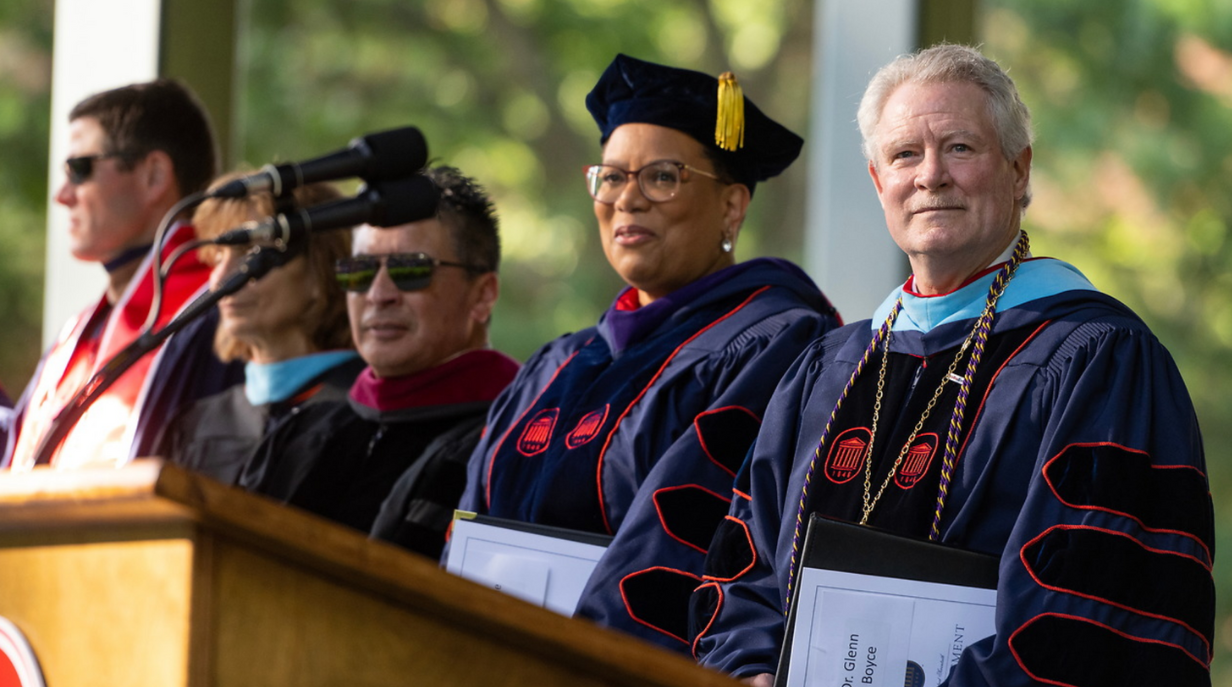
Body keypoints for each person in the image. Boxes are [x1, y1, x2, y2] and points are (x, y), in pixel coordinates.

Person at [691, 44, 1214, 687]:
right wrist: (749, 674)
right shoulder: (824, 372)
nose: (931, 175)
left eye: (960, 148)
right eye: (905, 155)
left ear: (1020, 171)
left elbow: (1088, 616)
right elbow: (744, 570)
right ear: (880, 182)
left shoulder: (1097, 360)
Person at [456, 54, 841, 653]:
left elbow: (685, 543)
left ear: (732, 206)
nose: (627, 200)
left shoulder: (774, 342)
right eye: (610, 177)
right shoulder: (559, 363)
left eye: (662, 176)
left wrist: (571, 659)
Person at [239, 166, 518, 559]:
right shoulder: (304, 430)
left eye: (411, 269)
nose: (378, 294)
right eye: (360, 270)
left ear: (483, 295)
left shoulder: (511, 445)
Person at [4, 80, 220, 470]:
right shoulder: (81, 333)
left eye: (79, 169)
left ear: (154, 176)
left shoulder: (217, 315)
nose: (62, 195)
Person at [153, 172, 363, 483]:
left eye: (250, 253)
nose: (220, 279)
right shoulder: (197, 425)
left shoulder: (367, 413)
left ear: (321, 267)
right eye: (218, 256)